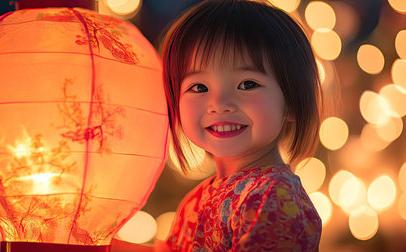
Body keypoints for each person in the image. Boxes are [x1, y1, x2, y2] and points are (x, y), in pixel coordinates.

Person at [112, 0, 322, 251]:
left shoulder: (277, 199)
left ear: (292, 101)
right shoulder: (197, 199)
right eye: (199, 87)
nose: (219, 104)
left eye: (247, 84)